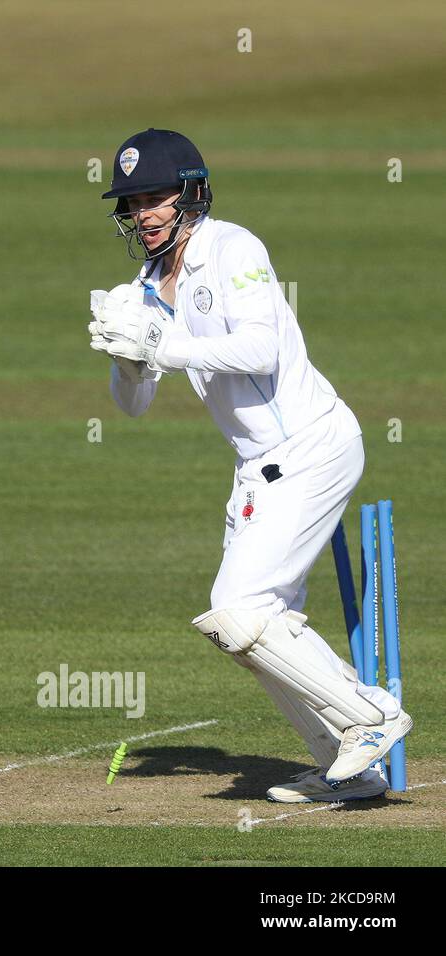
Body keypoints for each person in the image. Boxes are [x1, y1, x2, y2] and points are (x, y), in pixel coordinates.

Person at [88, 128, 412, 803]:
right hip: (256, 470)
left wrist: (164, 345)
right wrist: (129, 354)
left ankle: (371, 714)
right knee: (252, 635)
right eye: (132, 202)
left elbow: (260, 349)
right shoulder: (144, 287)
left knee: (238, 610)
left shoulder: (233, 249)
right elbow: (133, 404)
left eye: (156, 197)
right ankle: (349, 770)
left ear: (192, 194)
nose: (144, 214)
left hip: (313, 448)